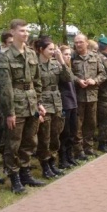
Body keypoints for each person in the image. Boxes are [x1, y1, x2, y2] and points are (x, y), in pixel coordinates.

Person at [0, 19, 46, 193]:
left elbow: (37, 81)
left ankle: (25, 173)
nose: (26, 33)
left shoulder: (31, 54)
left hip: (31, 104)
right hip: (15, 106)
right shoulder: (5, 56)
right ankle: (14, 177)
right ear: (13, 32)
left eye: (27, 31)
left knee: (30, 141)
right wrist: (9, 112)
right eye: (22, 31)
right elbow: (4, 87)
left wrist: (39, 103)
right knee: (13, 144)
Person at [35, 36, 71, 179]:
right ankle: (45, 166)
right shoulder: (35, 65)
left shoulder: (56, 63)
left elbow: (68, 78)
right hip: (44, 103)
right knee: (44, 137)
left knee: (55, 136)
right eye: (50, 49)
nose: (53, 51)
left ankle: (52, 163)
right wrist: (38, 105)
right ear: (41, 50)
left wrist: (62, 60)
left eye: (54, 49)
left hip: (56, 103)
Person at [71, 34, 106, 158]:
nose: (78, 44)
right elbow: (68, 74)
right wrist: (77, 80)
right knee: (78, 124)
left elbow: (103, 74)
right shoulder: (72, 57)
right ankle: (78, 150)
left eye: (81, 42)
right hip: (78, 96)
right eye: (76, 42)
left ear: (86, 43)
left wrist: (95, 81)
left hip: (92, 95)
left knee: (91, 123)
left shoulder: (95, 57)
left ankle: (89, 147)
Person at [58, 45, 79, 168]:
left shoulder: (68, 68)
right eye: (65, 54)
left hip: (73, 103)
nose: (68, 56)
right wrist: (61, 61)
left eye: (69, 54)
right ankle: (63, 158)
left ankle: (70, 156)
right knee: (64, 134)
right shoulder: (59, 67)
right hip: (64, 104)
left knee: (72, 132)